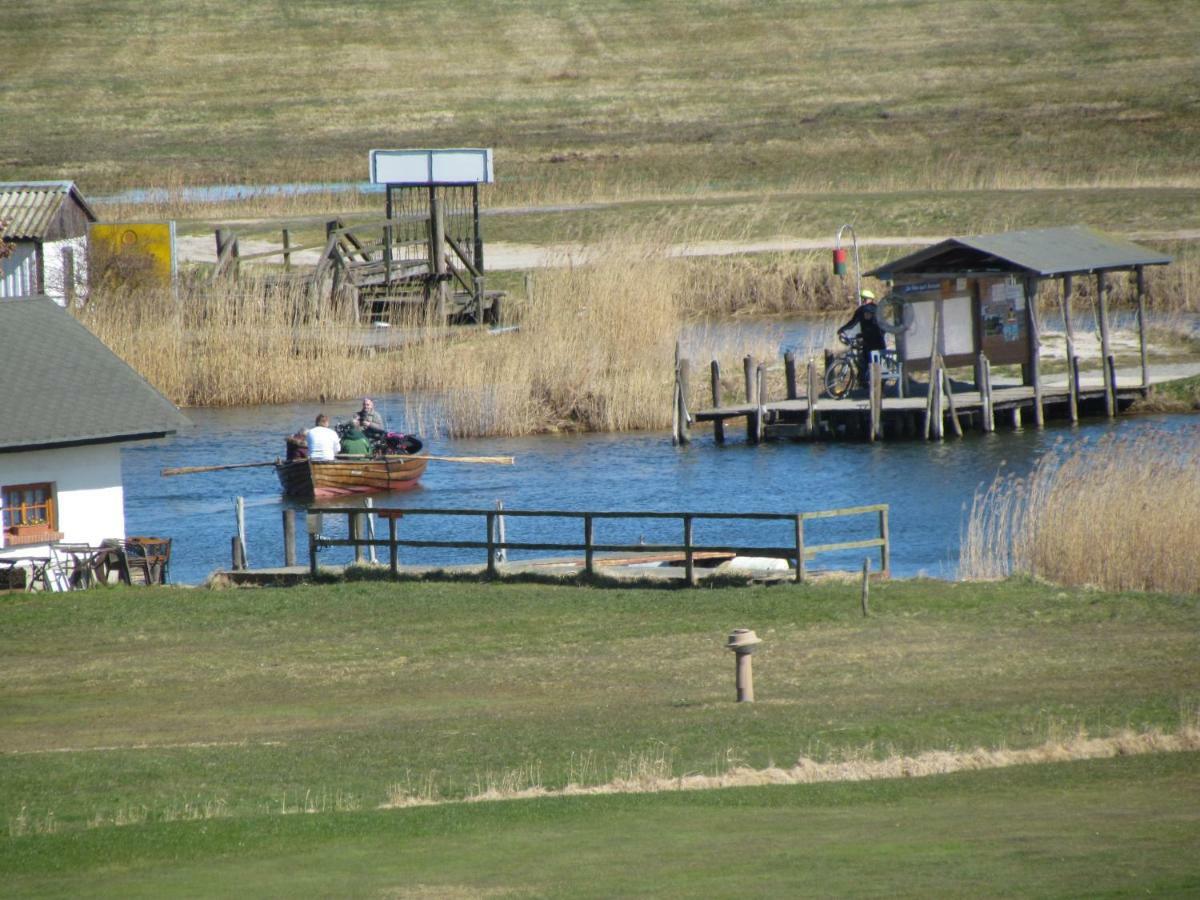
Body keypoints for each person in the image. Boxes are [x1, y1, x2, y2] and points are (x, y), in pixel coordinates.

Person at [837, 289, 888, 388]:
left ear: (868, 300)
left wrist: (842, 330)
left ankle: (866, 383)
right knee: (878, 364)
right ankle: (880, 387)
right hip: (880, 342)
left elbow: (852, 323)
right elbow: (884, 327)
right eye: (863, 299)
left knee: (866, 362)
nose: (863, 301)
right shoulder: (878, 309)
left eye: (864, 299)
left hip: (868, 343)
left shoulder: (861, 310)